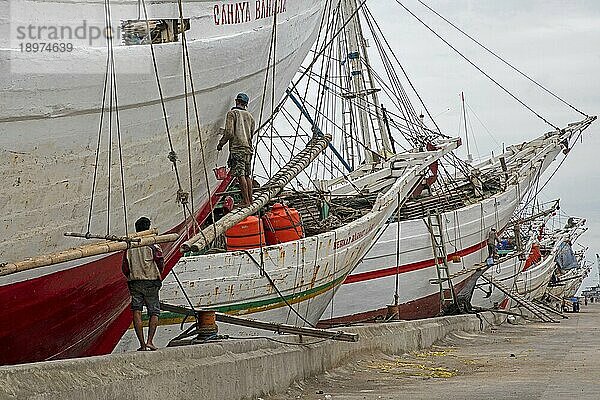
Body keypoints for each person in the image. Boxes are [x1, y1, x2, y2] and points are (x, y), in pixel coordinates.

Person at [122, 217, 164, 351]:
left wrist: (131, 276)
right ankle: (150, 341)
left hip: (135, 282)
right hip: (151, 280)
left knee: (137, 311)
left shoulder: (129, 247)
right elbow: (159, 261)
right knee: (154, 311)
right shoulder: (152, 244)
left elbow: (125, 267)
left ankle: (142, 344)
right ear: (148, 228)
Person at [217, 93, 256, 206]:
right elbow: (251, 134)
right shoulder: (250, 117)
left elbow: (229, 132)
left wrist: (221, 144)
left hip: (237, 148)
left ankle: (245, 201)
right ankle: (251, 200)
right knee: (247, 175)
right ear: (246, 104)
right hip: (248, 149)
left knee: (240, 175)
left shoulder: (232, 114)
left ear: (236, 101)